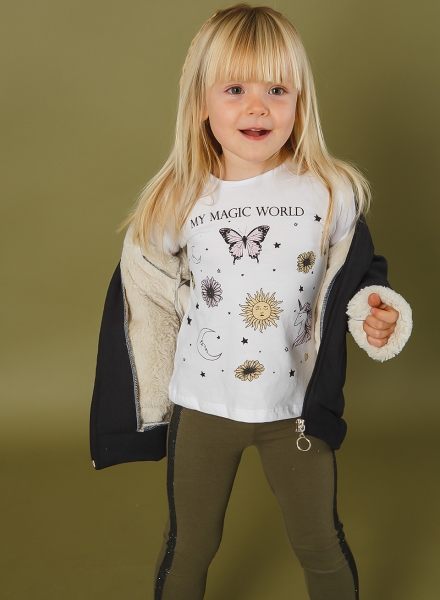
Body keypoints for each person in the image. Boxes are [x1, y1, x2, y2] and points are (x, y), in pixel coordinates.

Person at [90, 5, 413, 599]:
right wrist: (145, 405)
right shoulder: (178, 198)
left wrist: (378, 312)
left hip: (294, 408)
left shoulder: (331, 191)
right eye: (235, 89)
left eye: (277, 89)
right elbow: (147, 296)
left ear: (300, 102)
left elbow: (358, 279)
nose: (257, 107)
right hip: (203, 407)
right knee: (190, 545)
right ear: (201, 101)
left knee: (320, 543)